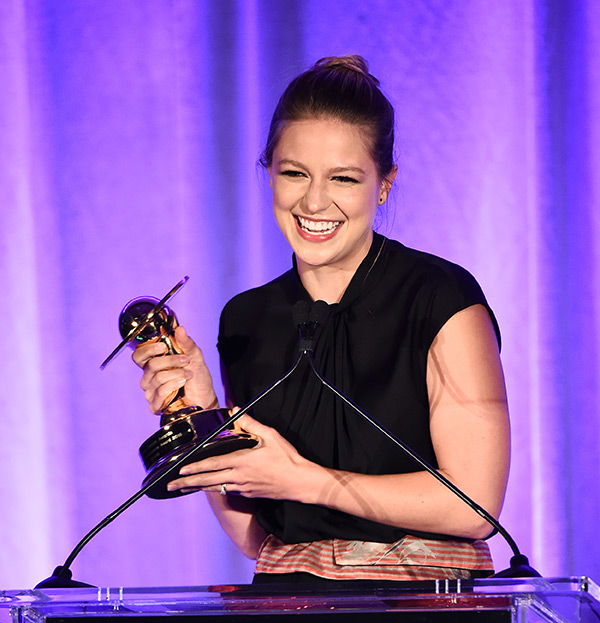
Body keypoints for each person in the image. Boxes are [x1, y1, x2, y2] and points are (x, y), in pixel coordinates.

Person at [133, 55, 510, 584]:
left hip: (424, 615)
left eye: (344, 179)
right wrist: (203, 416)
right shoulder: (246, 319)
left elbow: (474, 507)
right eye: (294, 173)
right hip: (287, 616)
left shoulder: (440, 297)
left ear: (384, 183)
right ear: (268, 172)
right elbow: (258, 540)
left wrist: (302, 480)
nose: (314, 201)